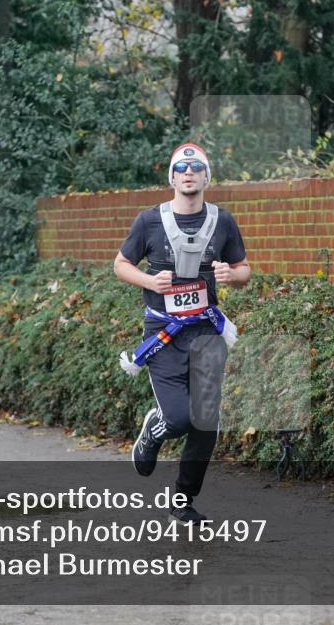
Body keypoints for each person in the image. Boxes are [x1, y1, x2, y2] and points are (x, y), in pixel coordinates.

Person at [114, 142, 251, 525]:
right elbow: (121, 264)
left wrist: (231, 275)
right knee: (177, 419)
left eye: (196, 168)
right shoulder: (149, 221)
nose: (188, 173)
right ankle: (153, 430)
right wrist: (149, 281)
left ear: (207, 177)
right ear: (172, 178)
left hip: (207, 331)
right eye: (181, 168)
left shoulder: (223, 221)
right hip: (164, 334)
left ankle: (183, 501)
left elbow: (244, 269)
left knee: (206, 422)